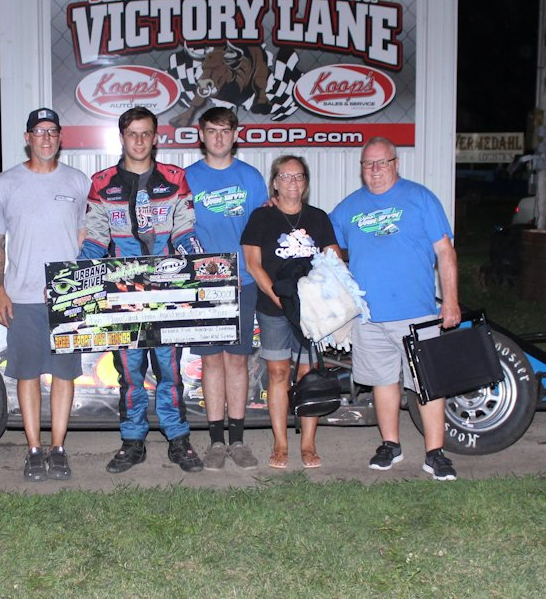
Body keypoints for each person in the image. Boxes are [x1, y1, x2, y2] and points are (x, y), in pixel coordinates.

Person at [78, 106, 205, 474]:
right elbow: (95, 241)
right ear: (122, 137)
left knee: (170, 372)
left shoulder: (175, 178)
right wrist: (72, 280)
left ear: (155, 138)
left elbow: (185, 233)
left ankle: (178, 439)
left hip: (168, 293)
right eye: (132, 133)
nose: (138, 140)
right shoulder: (101, 183)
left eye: (145, 133)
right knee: (130, 374)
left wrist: (201, 267)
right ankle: (132, 441)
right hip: (122, 295)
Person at [329, 136, 461, 481]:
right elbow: (321, 237)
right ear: (361, 168)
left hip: (416, 313)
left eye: (381, 162)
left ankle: (435, 453)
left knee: (427, 385)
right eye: (368, 164)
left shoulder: (420, 198)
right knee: (382, 381)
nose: (375, 170)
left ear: (395, 163)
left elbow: (445, 252)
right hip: (369, 317)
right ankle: (391, 444)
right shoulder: (349, 207)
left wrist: (450, 301)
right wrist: (278, 207)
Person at [0, 107, 90, 482]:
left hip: (67, 297)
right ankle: (33, 450)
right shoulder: (6, 183)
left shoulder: (78, 182)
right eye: (39, 131)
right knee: (27, 375)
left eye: (52, 131)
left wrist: (83, 284)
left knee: (64, 376)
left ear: (60, 138)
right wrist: (0, 290)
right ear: (27, 138)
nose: (46, 138)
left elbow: (86, 235)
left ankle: (58, 449)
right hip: (23, 296)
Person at [241, 155, 340, 470]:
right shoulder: (261, 217)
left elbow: (333, 259)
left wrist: (324, 293)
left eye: (298, 176)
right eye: (285, 176)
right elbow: (252, 264)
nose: (292, 182)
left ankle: (308, 444)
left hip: (311, 311)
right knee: (278, 374)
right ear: (275, 182)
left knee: (308, 375)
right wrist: (280, 299)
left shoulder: (318, 218)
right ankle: (281, 443)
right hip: (274, 309)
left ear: (306, 183)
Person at [184, 107, 269, 471]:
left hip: (243, 281)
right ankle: (216, 441)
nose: (218, 137)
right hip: (203, 283)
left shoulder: (251, 178)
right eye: (212, 130)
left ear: (236, 135)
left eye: (225, 131)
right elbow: (179, 230)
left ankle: (237, 439)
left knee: (237, 360)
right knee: (210, 361)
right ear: (201, 134)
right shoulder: (187, 178)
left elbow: (261, 231)